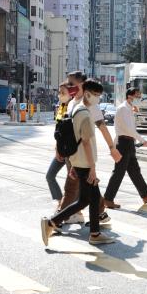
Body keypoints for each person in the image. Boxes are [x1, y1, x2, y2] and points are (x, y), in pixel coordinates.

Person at [41, 79, 115, 246]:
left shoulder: (76, 109)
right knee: (87, 199)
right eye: (96, 95)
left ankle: (93, 233)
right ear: (87, 94)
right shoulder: (85, 114)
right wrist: (92, 168)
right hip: (86, 164)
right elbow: (86, 142)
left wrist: (74, 164)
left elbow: (76, 140)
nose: (98, 98)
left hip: (80, 162)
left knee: (87, 200)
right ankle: (53, 223)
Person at [58, 71, 121, 223]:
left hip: (82, 154)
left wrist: (112, 148)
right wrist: (59, 149)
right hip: (73, 152)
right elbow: (64, 128)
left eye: (72, 84)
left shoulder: (91, 105)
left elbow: (103, 128)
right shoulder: (71, 103)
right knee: (85, 185)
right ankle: (93, 216)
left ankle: (58, 218)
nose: (69, 86)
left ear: (81, 84)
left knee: (78, 186)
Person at [103, 88, 147, 209]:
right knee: (119, 172)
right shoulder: (123, 109)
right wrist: (142, 140)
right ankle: (108, 199)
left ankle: (146, 195)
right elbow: (128, 129)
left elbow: (130, 129)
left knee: (135, 171)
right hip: (123, 143)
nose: (139, 98)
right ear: (130, 96)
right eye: (137, 95)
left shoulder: (129, 109)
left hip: (129, 143)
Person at [44, 82, 71, 209]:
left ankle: (69, 207)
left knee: (72, 181)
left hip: (71, 151)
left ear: (71, 93)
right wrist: (57, 149)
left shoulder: (74, 108)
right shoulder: (61, 107)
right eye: (59, 93)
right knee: (50, 176)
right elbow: (58, 130)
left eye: (63, 93)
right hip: (61, 150)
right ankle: (60, 201)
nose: (60, 95)